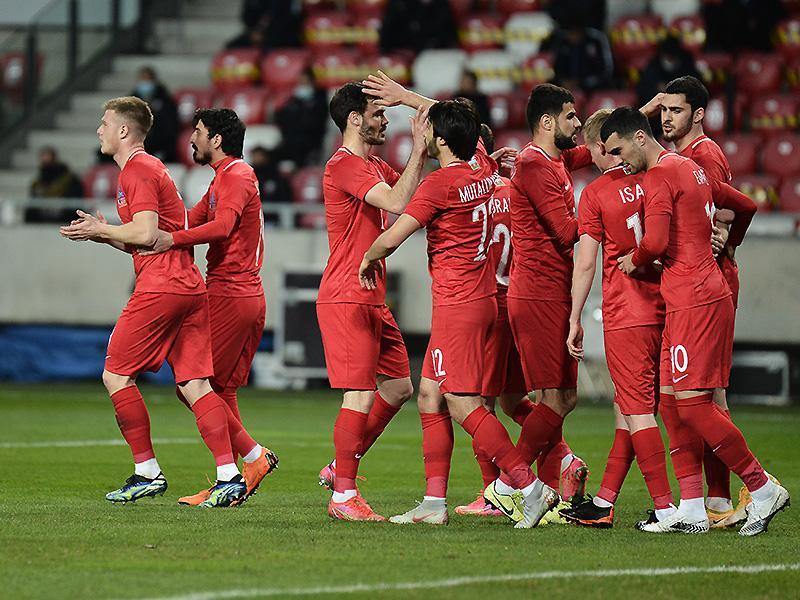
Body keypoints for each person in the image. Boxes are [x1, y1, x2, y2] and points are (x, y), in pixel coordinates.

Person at [359, 97, 558, 529]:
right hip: (479, 299)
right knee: (430, 396)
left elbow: (393, 235)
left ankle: (529, 488)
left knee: (464, 403)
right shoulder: (483, 168)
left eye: (429, 130)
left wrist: (369, 257)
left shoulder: (440, 184)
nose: (424, 134)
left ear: (443, 139)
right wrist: (412, 99)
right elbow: (463, 124)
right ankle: (434, 503)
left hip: (459, 305)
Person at [602, 107, 789, 536]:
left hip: (695, 300)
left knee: (694, 403)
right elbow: (745, 205)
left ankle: (762, 488)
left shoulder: (659, 176)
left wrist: (633, 258)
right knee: (670, 401)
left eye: (619, 150)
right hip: (693, 295)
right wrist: (729, 243)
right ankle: (690, 507)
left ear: (639, 138)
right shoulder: (690, 168)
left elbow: (655, 242)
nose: (617, 160)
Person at [59, 96, 249, 507]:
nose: (99, 130)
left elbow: (146, 233)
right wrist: (107, 235)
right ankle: (229, 476)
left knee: (116, 375)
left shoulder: (138, 170)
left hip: (161, 288)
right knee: (195, 384)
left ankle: (147, 471)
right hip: (188, 286)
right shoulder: (151, 168)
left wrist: (102, 231)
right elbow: (145, 242)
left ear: (123, 130)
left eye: (105, 122)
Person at [143, 108, 279, 506]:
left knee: (191, 386)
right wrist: (136, 228)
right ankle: (232, 480)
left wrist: (171, 241)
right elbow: (189, 220)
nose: (192, 139)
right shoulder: (224, 177)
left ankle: (251, 458)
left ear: (216, 139)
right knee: (219, 390)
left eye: (199, 132)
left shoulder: (237, 175)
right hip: (241, 295)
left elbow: (221, 228)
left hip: (230, 294)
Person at [642, 75, 750, 528]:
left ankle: (725, 495)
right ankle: (713, 498)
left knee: (706, 395)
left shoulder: (702, 156)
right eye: (663, 110)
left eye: (676, 110)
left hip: (707, 284)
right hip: (697, 281)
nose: (667, 118)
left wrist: (726, 242)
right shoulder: (680, 157)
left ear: (699, 114)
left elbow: (722, 213)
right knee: (694, 393)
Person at [316, 82, 428, 522]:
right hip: (348, 294)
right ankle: (344, 496)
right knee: (359, 394)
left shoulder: (373, 164)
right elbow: (399, 202)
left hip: (371, 296)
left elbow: (416, 196)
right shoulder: (344, 164)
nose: (385, 120)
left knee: (398, 387)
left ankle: (340, 465)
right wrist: (419, 148)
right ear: (354, 119)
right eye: (378, 113)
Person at [560, 108, 676, 528]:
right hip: (669, 306)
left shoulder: (595, 194)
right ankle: (605, 501)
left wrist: (574, 317)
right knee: (630, 409)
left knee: (636, 411)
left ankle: (667, 507)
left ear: (601, 146)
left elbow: (586, 262)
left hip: (627, 313)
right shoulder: (657, 177)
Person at [493, 83, 591, 508]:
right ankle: (507, 484)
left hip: (555, 293)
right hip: (537, 295)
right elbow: (567, 232)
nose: (578, 123)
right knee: (553, 398)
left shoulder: (556, 160)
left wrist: (640, 118)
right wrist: (604, 212)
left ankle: (530, 481)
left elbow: (600, 147)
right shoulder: (533, 164)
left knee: (563, 398)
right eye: (571, 116)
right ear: (548, 122)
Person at [542, 16, 613, 93]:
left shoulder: (596, 40)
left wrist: (581, 83)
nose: (570, 36)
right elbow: (554, 66)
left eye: (573, 33)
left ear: (580, 32)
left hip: (591, 87)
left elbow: (605, 71)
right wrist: (562, 81)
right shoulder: (562, 41)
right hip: (565, 86)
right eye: (569, 33)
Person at [274, 69, 329, 166]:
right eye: (301, 82)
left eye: (305, 81)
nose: (302, 84)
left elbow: (318, 121)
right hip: (291, 137)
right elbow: (280, 116)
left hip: (311, 138)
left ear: (312, 82)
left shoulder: (320, 98)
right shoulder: (293, 99)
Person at [130, 67, 179, 163]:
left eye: (147, 80)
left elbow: (171, 126)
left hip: (161, 147)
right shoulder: (130, 102)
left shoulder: (166, 100)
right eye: (142, 80)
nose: (145, 83)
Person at [28, 146, 83, 223]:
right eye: (43, 159)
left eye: (48, 158)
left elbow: (74, 200)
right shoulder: (37, 183)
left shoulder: (69, 179)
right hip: (43, 217)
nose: (45, 161)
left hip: (65, 217)